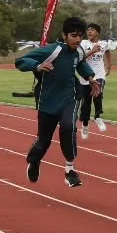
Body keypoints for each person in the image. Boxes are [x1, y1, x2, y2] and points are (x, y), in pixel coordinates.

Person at [15, 16, 95, 187]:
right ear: (64, 35)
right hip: (48, 101)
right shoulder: (53, 50)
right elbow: (21, 61)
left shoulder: (79, 50)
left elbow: (79, 64)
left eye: (81, 36)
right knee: (44, 140)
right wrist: (37, 66)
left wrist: (90, 78)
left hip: (70, 98)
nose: (78, 39)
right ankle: (34, 160)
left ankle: (70, 170)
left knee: (68, 127)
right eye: (74, 35)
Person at [77, 23, 114, 140]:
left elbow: (107, 52)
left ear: (97, 32)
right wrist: (92, 51)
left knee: (98, 93)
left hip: (99, 74)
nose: (89, 32)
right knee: (86, 103)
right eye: (88, 30)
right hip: (86, 76)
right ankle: (85, 125)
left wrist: (109, 66)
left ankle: (98, 116)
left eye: (92, 30)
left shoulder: (104, 44)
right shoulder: (83, 43)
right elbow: (80, 58)